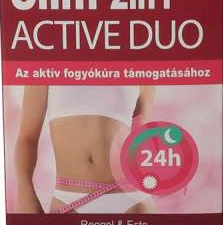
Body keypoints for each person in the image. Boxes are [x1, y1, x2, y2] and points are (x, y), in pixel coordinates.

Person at [14, 85, 155, 213]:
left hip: (131, 199)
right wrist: (24, 189)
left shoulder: (142, 69)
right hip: (68, 199)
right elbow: (28, 138)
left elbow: (140, 139)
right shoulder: (45, 67)